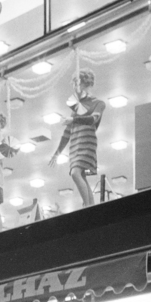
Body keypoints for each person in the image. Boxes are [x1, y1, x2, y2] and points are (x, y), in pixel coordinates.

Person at [52, 69, 106, 208]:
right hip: (76, 143)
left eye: (77, 84)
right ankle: (90, 205)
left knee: (76, 172)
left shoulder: (98, 103)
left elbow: (93, 119)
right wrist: (57, 152)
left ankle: (88, 205)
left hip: (87, 142)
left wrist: (73, 120)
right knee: (80, 174)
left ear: (84, 84)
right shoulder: (77, 107)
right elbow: (67, 132)